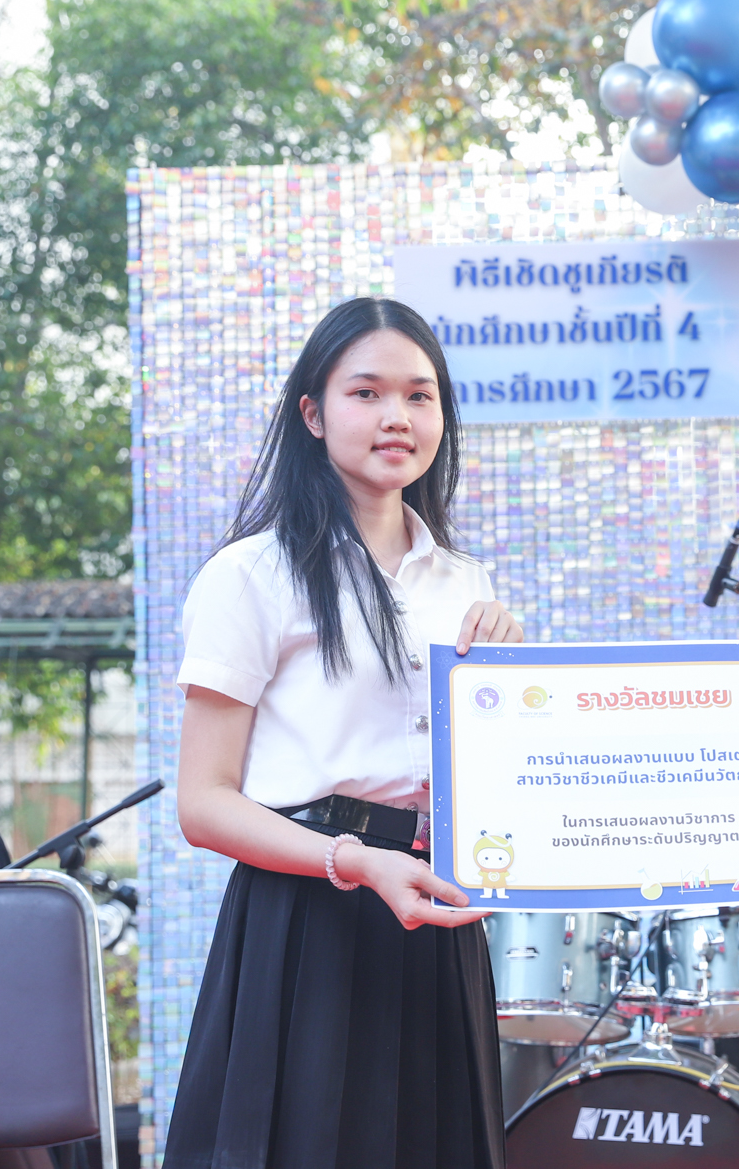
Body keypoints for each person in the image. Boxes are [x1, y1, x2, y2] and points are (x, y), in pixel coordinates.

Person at [164, 298, 522, 1169]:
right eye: (367, 392)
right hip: (305, 923)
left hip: (434, 913)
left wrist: (513, 689)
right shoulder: (251, 574)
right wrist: (355, 862)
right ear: (314, 414)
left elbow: (493, 785)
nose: (398, 416)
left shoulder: (466, 583)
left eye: (420, 395)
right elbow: (203, 804)